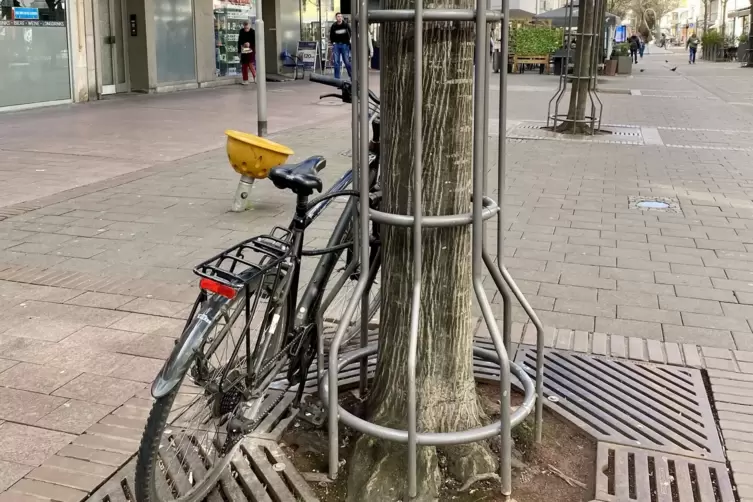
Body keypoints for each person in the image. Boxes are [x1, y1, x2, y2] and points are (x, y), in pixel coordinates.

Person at [329, 12, 352, 80]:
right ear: (336, 18)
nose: (339, 17)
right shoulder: (334, 26)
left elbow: (350, 33)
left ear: (342, 17)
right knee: (336, 62)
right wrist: (333, 43)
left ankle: (351, 76)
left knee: (346, 61)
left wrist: (347, 41)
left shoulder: (346, 25)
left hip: (345, 45)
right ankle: (337, 78)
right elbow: (331, 35)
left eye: (340, 16)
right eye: (338, 16)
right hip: (336, 45)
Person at [237, 21, 256, 85]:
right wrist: (239, 51)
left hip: (251, 49)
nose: (246, 29)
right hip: (244, 49)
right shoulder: (241, 31)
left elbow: (255, 41)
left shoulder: (253, 32)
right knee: (244, 65)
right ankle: (245, 79)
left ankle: (255, 77)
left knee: (250, 63)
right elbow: (239, 41)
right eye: (245, 28)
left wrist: (249, 44)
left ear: (250, 26)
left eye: (247, 28)